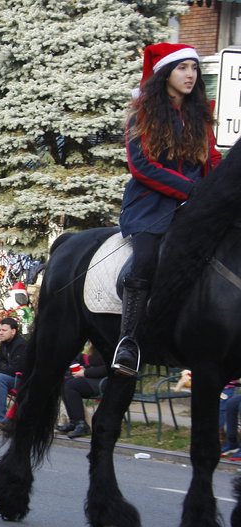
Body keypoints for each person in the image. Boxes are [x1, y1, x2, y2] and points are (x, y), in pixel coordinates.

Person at [112, 43, 221, 377]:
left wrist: (222, 185)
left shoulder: (199, 116)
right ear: (165, 74)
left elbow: (212, 158)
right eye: (182, 68)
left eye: (194, 68)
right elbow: (141, 166)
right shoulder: (141, 113)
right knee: (145, 259)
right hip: (150, 208)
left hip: (196, 208)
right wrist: (193, 190)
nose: (190, 75)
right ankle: (128, 342)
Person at [55, 345, 107, 439]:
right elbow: (95, 365)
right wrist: (85, 369)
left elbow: (107, 369)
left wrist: (85, 373)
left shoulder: (109, 346)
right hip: (93, 377)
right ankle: (73, 422)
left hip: (104, 381)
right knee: (63, 383)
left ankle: (82, 424)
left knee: (71, 386)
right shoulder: (95, 347)